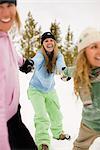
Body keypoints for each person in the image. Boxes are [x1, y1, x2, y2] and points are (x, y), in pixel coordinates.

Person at [0, 0, 37, 149]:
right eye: (0, 7)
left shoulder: (4, 36)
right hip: (4, 120)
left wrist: (23, 62)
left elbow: (12, 53)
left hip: (13, 113)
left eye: (9, 5)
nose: (5, 12)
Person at [26, 32, 71, 150]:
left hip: (50, 89)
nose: (49, 43)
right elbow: (36, 60)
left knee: (56, 113)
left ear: (54, 42)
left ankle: (58, 133)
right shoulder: (41, 54)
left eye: (51, 40)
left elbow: (61, 65)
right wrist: (30, 63)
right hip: (35, 89)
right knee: (41, 116)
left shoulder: (58, 55)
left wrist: (64, 72)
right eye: (46, 41)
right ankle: (43, 142)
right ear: (43, 44)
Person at [72, 27, 100, 150]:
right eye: (94, 47)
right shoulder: (81, 72)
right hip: (89, 124)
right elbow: (68, 70)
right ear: (84, 52)